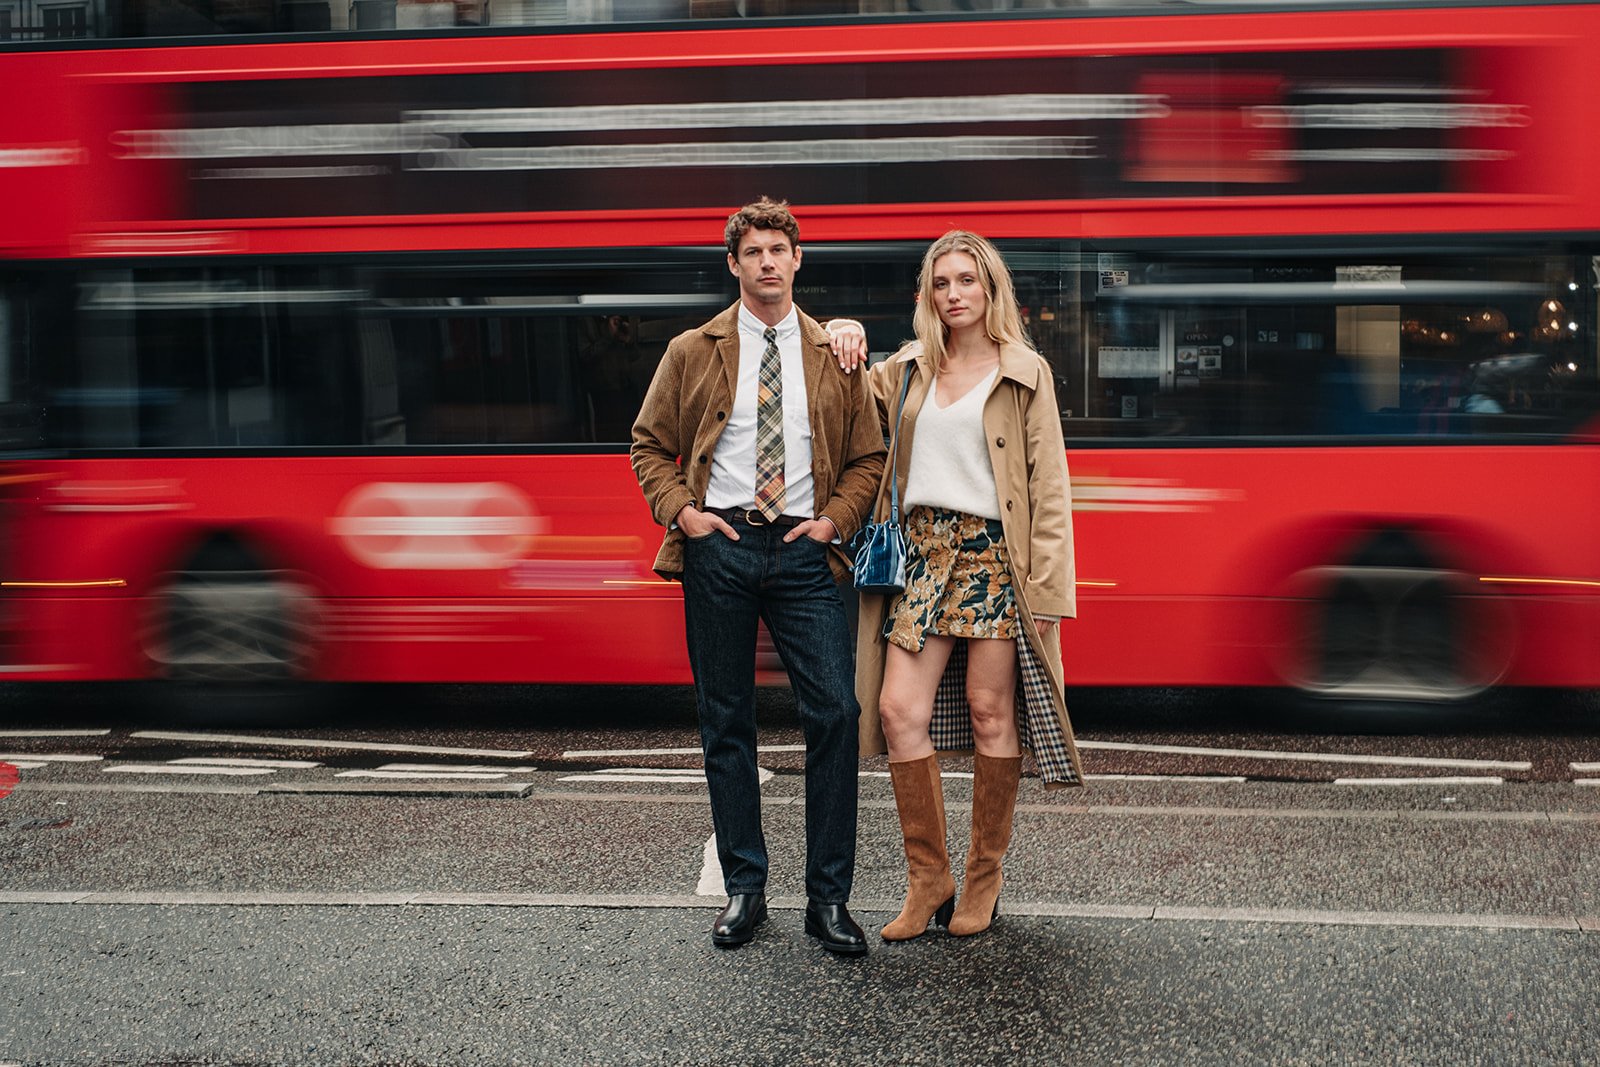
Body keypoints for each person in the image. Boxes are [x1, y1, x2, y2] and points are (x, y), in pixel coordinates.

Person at [631, 197, 886, 955]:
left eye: (780, 249)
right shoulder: (691, 349)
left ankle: (828, 899)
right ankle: (746, 890)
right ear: (735, 264)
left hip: (806, 553)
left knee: (837, 712)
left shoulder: (835, 352)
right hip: (722, 548)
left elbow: (870, 456)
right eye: (754, 252)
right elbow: (649, 444)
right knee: (726, 720)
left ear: (798, 259)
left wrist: (835, 520)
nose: (768, 262)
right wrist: (684, 514)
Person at [856, 230, 1085, 941]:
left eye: (967, 280)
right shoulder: (906, 369)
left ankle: (983, 874)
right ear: (928, 294)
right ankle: (930, 877)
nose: (954, 293)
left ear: (990, 289)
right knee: (897, 709)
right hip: (923, 556)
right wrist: (838, 332)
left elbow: (1049, 487)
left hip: (993, 556)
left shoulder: (1025, 372)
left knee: (991, 712)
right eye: (941, 282)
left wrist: (1047, 595)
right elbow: (839, 395)